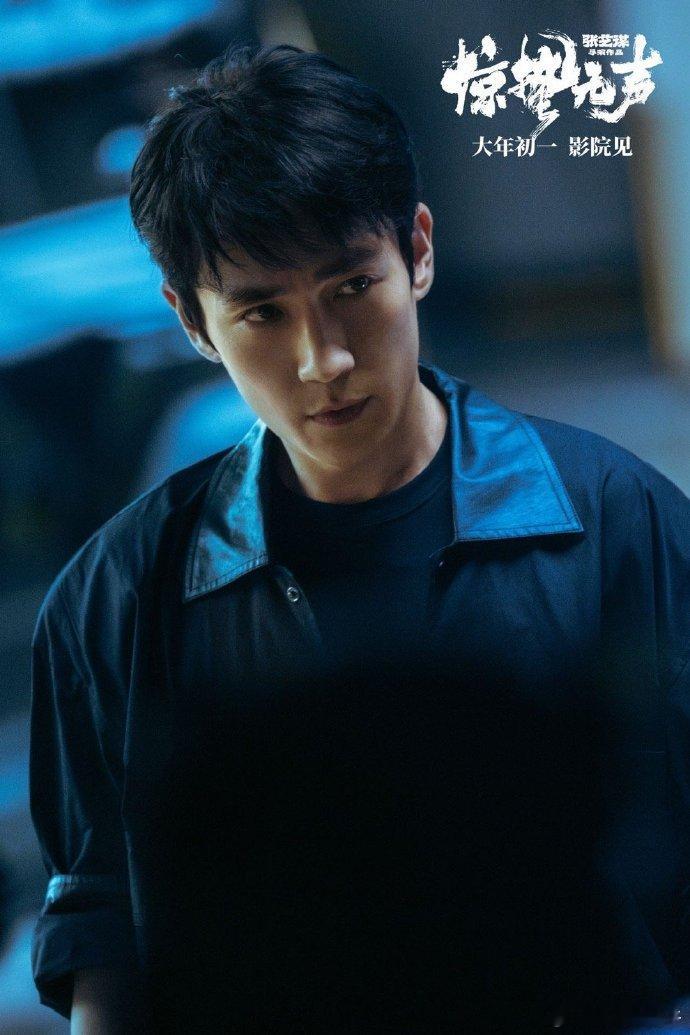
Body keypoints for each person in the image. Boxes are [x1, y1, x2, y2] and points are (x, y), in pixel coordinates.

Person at [29, 43, 690, 1034]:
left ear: (417, 251)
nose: (323, 359)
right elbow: (102, 927)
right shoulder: (116, 599)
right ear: (193, 321)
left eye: (350, 287)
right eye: (262, 312)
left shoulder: (618, 520)